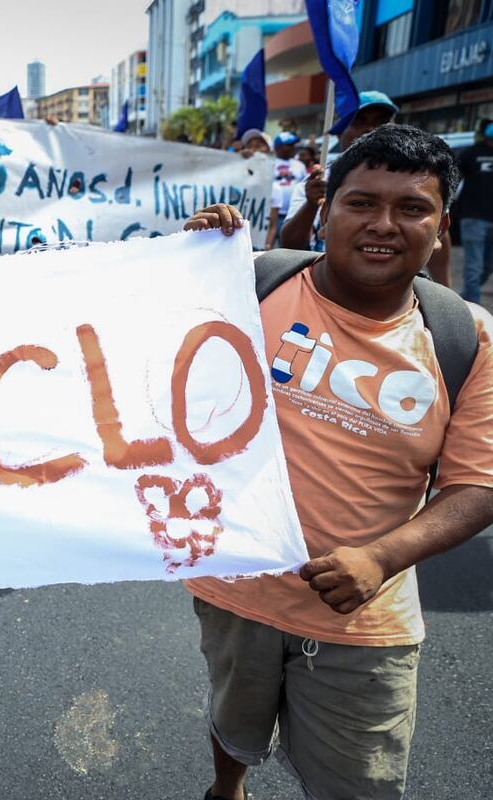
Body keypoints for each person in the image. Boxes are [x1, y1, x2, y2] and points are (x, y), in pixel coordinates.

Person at [183, 125, 493, 800]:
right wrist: (192, 258)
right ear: (326, 213)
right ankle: (226, 789)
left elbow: (477, 485)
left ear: (442, 227)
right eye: (361, 202)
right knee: (233, 718)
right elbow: (142, 360)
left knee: (359, 785)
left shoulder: (466, 338)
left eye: (412, 208)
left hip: (365, 621)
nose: (383, 224)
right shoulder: (250, 287)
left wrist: (380, 559)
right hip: (233, 588)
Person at [280, 90, 399, 252]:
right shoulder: (319, 181)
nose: (370, 129)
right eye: (359, 121)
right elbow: (290, 246)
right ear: (339, 131)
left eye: (381, 122)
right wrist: (311, 204)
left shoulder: (414, 180)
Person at [456, 118, 493, 303]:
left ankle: (466, 297)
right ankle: (472, 309)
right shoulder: (471, 153)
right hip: (473, 218)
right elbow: (452, 179)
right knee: (474, 267)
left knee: (487, 266)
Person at [265, 131, 308, 250]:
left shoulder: (300, 165)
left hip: (293, 215)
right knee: (268, 250)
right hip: (273, 216)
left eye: (293, 144)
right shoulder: (267, 162)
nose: (292, 147)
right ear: (278, 147)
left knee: (289, 250)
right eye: (288, 145)